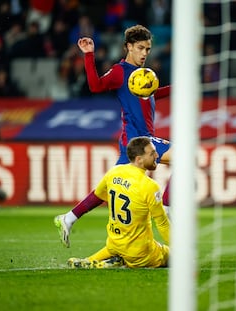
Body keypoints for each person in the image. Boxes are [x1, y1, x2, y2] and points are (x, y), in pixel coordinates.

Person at [54, 24, 171, 248]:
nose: (145, 53)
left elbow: (153, 93)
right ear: (128, 47)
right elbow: (95, 86)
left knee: (110, 186)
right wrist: (89, 56)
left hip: (136, 141)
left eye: (148, 48)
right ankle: (167, 205)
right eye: (140, 48)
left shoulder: (144, 76)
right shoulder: (120, 72)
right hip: (138, 140)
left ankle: (69, 218)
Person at [67, 136, 170, 269]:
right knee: (172, 255)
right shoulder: (150, 186)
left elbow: (98, 195)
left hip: (114, 244)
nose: (157, 156)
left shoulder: (114, 172)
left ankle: (94, 261)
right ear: (139, 159)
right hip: (140, 253)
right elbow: (162, 223)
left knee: (99, 257)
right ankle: (111, 263)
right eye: (152, 153)